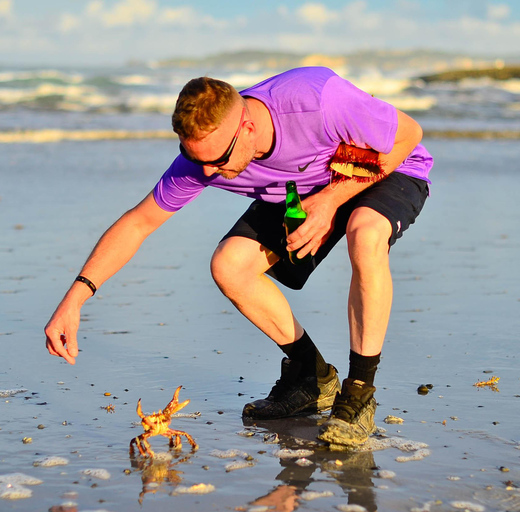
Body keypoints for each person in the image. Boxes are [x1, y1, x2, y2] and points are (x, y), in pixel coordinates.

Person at [44, 66, 433, 448]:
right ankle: (310, 377)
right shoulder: (205, 158)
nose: (210, 171)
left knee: (364, 235)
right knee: (230, 264)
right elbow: (138, 223)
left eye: (219, 159)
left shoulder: (315, 98)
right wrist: (74, 299)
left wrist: (331, 200)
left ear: (246, 126)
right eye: (198, 160)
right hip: (304, 191)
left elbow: (409, 134)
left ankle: (359, 392)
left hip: (386, 169)